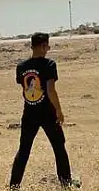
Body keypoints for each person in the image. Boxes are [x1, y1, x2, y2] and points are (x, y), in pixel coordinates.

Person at [8, 32, 79, 189]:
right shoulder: (49, 65)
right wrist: (59, 111)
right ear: (41, 46)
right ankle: (66, 182)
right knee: (59, 146)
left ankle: (14, 185)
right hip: (47, 114)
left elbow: (25, 90)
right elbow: (50, 90)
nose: (48, 48)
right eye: (47, 45)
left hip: (29, 114)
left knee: (24, 150)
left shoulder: (21, 67)